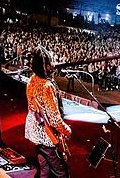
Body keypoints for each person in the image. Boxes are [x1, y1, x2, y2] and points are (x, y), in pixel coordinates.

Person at [25, 46, 71, 177]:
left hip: (36, 133)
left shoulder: (32, 80)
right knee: (62, 173)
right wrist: (67, 131)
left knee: (45, 170)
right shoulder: (46, 86)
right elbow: (55, 120)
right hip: (47, 137)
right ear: (46, 66)